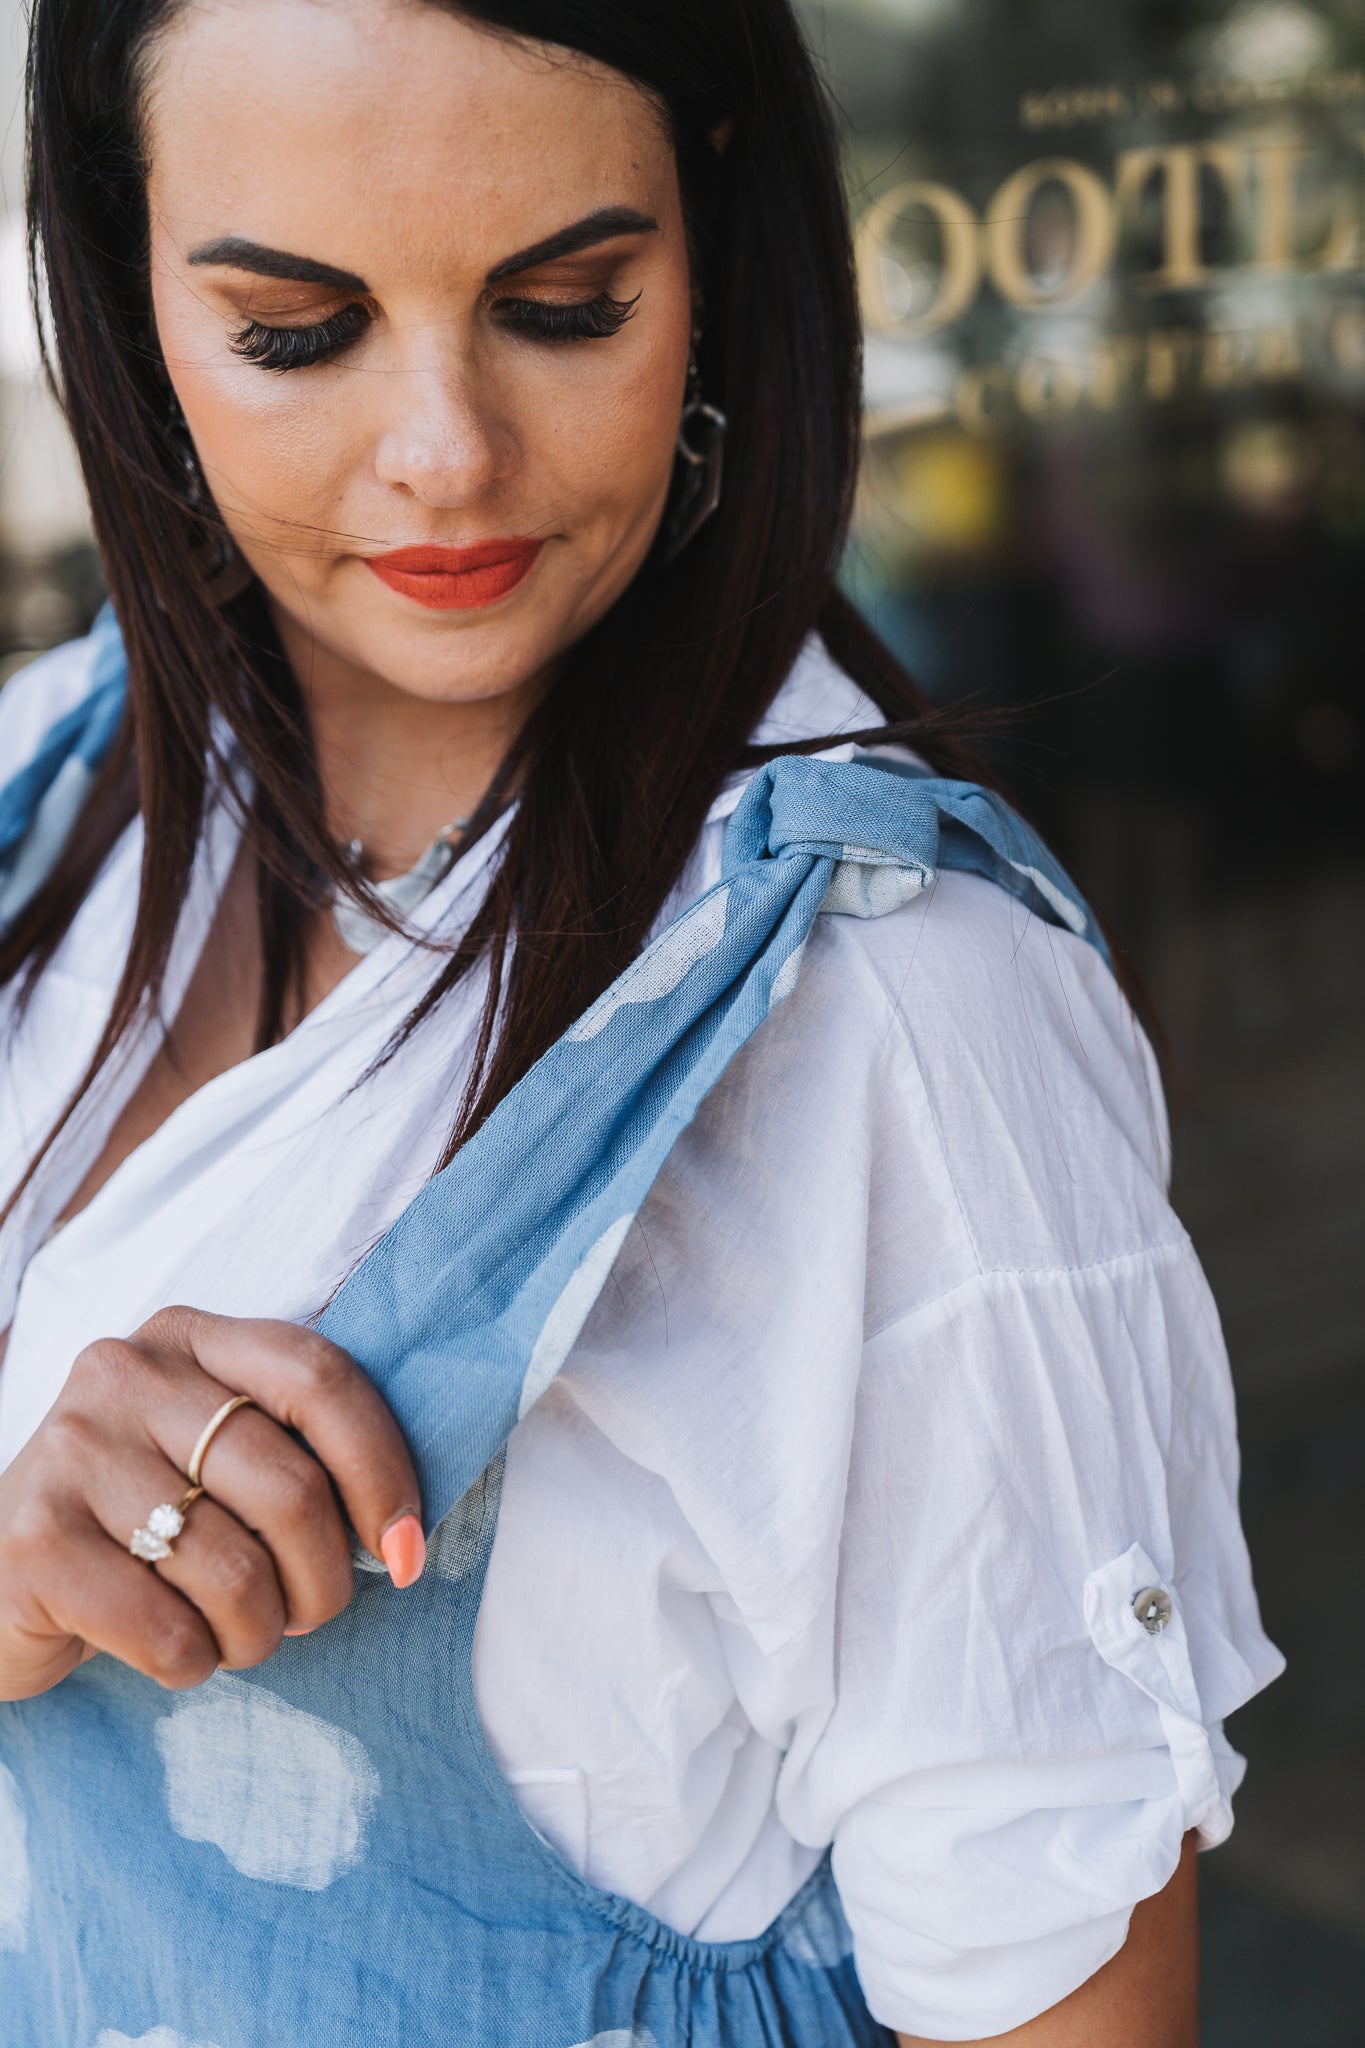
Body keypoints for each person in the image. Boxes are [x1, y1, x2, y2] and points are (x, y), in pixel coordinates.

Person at [0, 1, 1281, 2042]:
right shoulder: (51, 784)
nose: (446, 451)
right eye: (298, 329)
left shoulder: (886, 1016)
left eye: (567, 304)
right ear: (126, 284)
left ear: (711, 249)